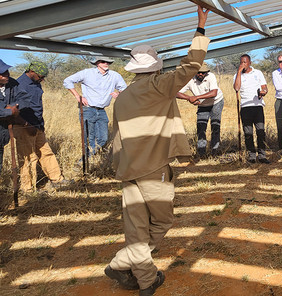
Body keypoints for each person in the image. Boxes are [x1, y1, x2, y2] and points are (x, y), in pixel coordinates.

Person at [104, 6, 210, 296]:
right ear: (156, 67)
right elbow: (191, 65)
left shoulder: (123, 97)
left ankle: (145, 279)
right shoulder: (159, 85)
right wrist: (200, 26)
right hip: (153, 170)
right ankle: (122, 263)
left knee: (136, 227)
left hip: (127, 169)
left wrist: (118, 166)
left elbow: (117, 138)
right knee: (162, 220)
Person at [15, 62, 67, 192]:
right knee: (28, 157)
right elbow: (17, 110)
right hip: (25, 126)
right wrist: (27, 125)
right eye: (41, 76)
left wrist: (40, 124)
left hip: (38, 124)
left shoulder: (36, 83)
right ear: (32, 72)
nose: (42, 79)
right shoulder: (19, 85)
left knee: (46, 152)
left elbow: (37, 106)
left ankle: (57, 179)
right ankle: (28, 188)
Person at [63, 56, 127, 156]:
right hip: (88, 109)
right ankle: (86, 162)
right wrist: (78, 96)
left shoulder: (115, 75)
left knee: (103, 138)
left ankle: (86, 159)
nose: (106, 63)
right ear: (97, 63)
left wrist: (120, 95)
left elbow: (124, 89)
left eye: (108, 62)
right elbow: (67, 81)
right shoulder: (87, 73)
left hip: (102, 110)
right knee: (88, 137)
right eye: (103, 61)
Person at [177, 64, 224, 158]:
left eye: (203, 72)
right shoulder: (190, 79)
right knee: (201, 128)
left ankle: (214, 152)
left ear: (207, 72)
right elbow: (175, 92)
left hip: (216, 102)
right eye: (199, 72)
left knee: (215, 126)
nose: (201, 74)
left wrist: (196, 97)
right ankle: (201, 153)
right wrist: (189, 98)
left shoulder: (211, 76)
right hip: (202, 105)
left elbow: (214, 93)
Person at [233, 54, 270, 164]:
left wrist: (264, 92)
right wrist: (239, 72)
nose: (243, 64)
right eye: (241, 62)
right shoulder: (237, 75)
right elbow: (236, 88)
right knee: (248, 132)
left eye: (245, 62)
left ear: (250, 63)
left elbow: (264, 87)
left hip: (257, 105)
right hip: (245, 106)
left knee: (261, 131)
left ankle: (262, 155)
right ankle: (252, 155)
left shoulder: (257, 73)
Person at [0, 59, 30, 171]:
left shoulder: (12, 83)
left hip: (3, 133)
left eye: (7, 71)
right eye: (2, 73)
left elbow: (25, 98)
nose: (6, 75)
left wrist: (14, 107)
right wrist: (8, 112)